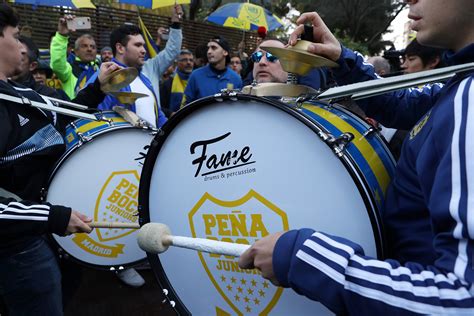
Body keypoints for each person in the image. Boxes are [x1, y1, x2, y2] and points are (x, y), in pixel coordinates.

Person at [238, 0, 474, 314]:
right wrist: (341, 58)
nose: (409, 1)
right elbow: (399, 104)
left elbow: (463, 299)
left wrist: (302, 257)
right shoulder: (460, 85)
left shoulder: (469, 101)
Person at [0, 4, 119, 314]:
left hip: (39, 233)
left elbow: (62, 116)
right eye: (15, 36)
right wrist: (49, 216)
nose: (22, 47)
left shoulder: (17, 91)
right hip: (17, 248)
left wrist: (97, 88)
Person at [92, 5, 183, 128]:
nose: (143, 50)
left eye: (143, 45)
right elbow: (96, 120)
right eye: (138, 45)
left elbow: (158, 116)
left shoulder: (145, 79)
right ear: (120, 48)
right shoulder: (104, 77)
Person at [182, 36, 242, 106]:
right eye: (208, 48)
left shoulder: (235, 79)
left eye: (214, 48)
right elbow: (185, 106)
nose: (209, 52)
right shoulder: (196, 76)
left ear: (225, 52)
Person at [50, 15, 99, 99]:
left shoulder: (101, 70)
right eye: (84, 46)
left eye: (92, 47)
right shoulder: (69, 69)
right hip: (73, 111)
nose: (89, 49)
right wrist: (61, 36)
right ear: (76, 51)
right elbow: (57, 63)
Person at [160, 49, 194, 116]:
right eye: (184, 60)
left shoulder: (196, 82)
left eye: (191, 60)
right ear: (178, 63)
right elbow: (159, 107)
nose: (188, 62)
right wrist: (171, 114)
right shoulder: (168, 84)